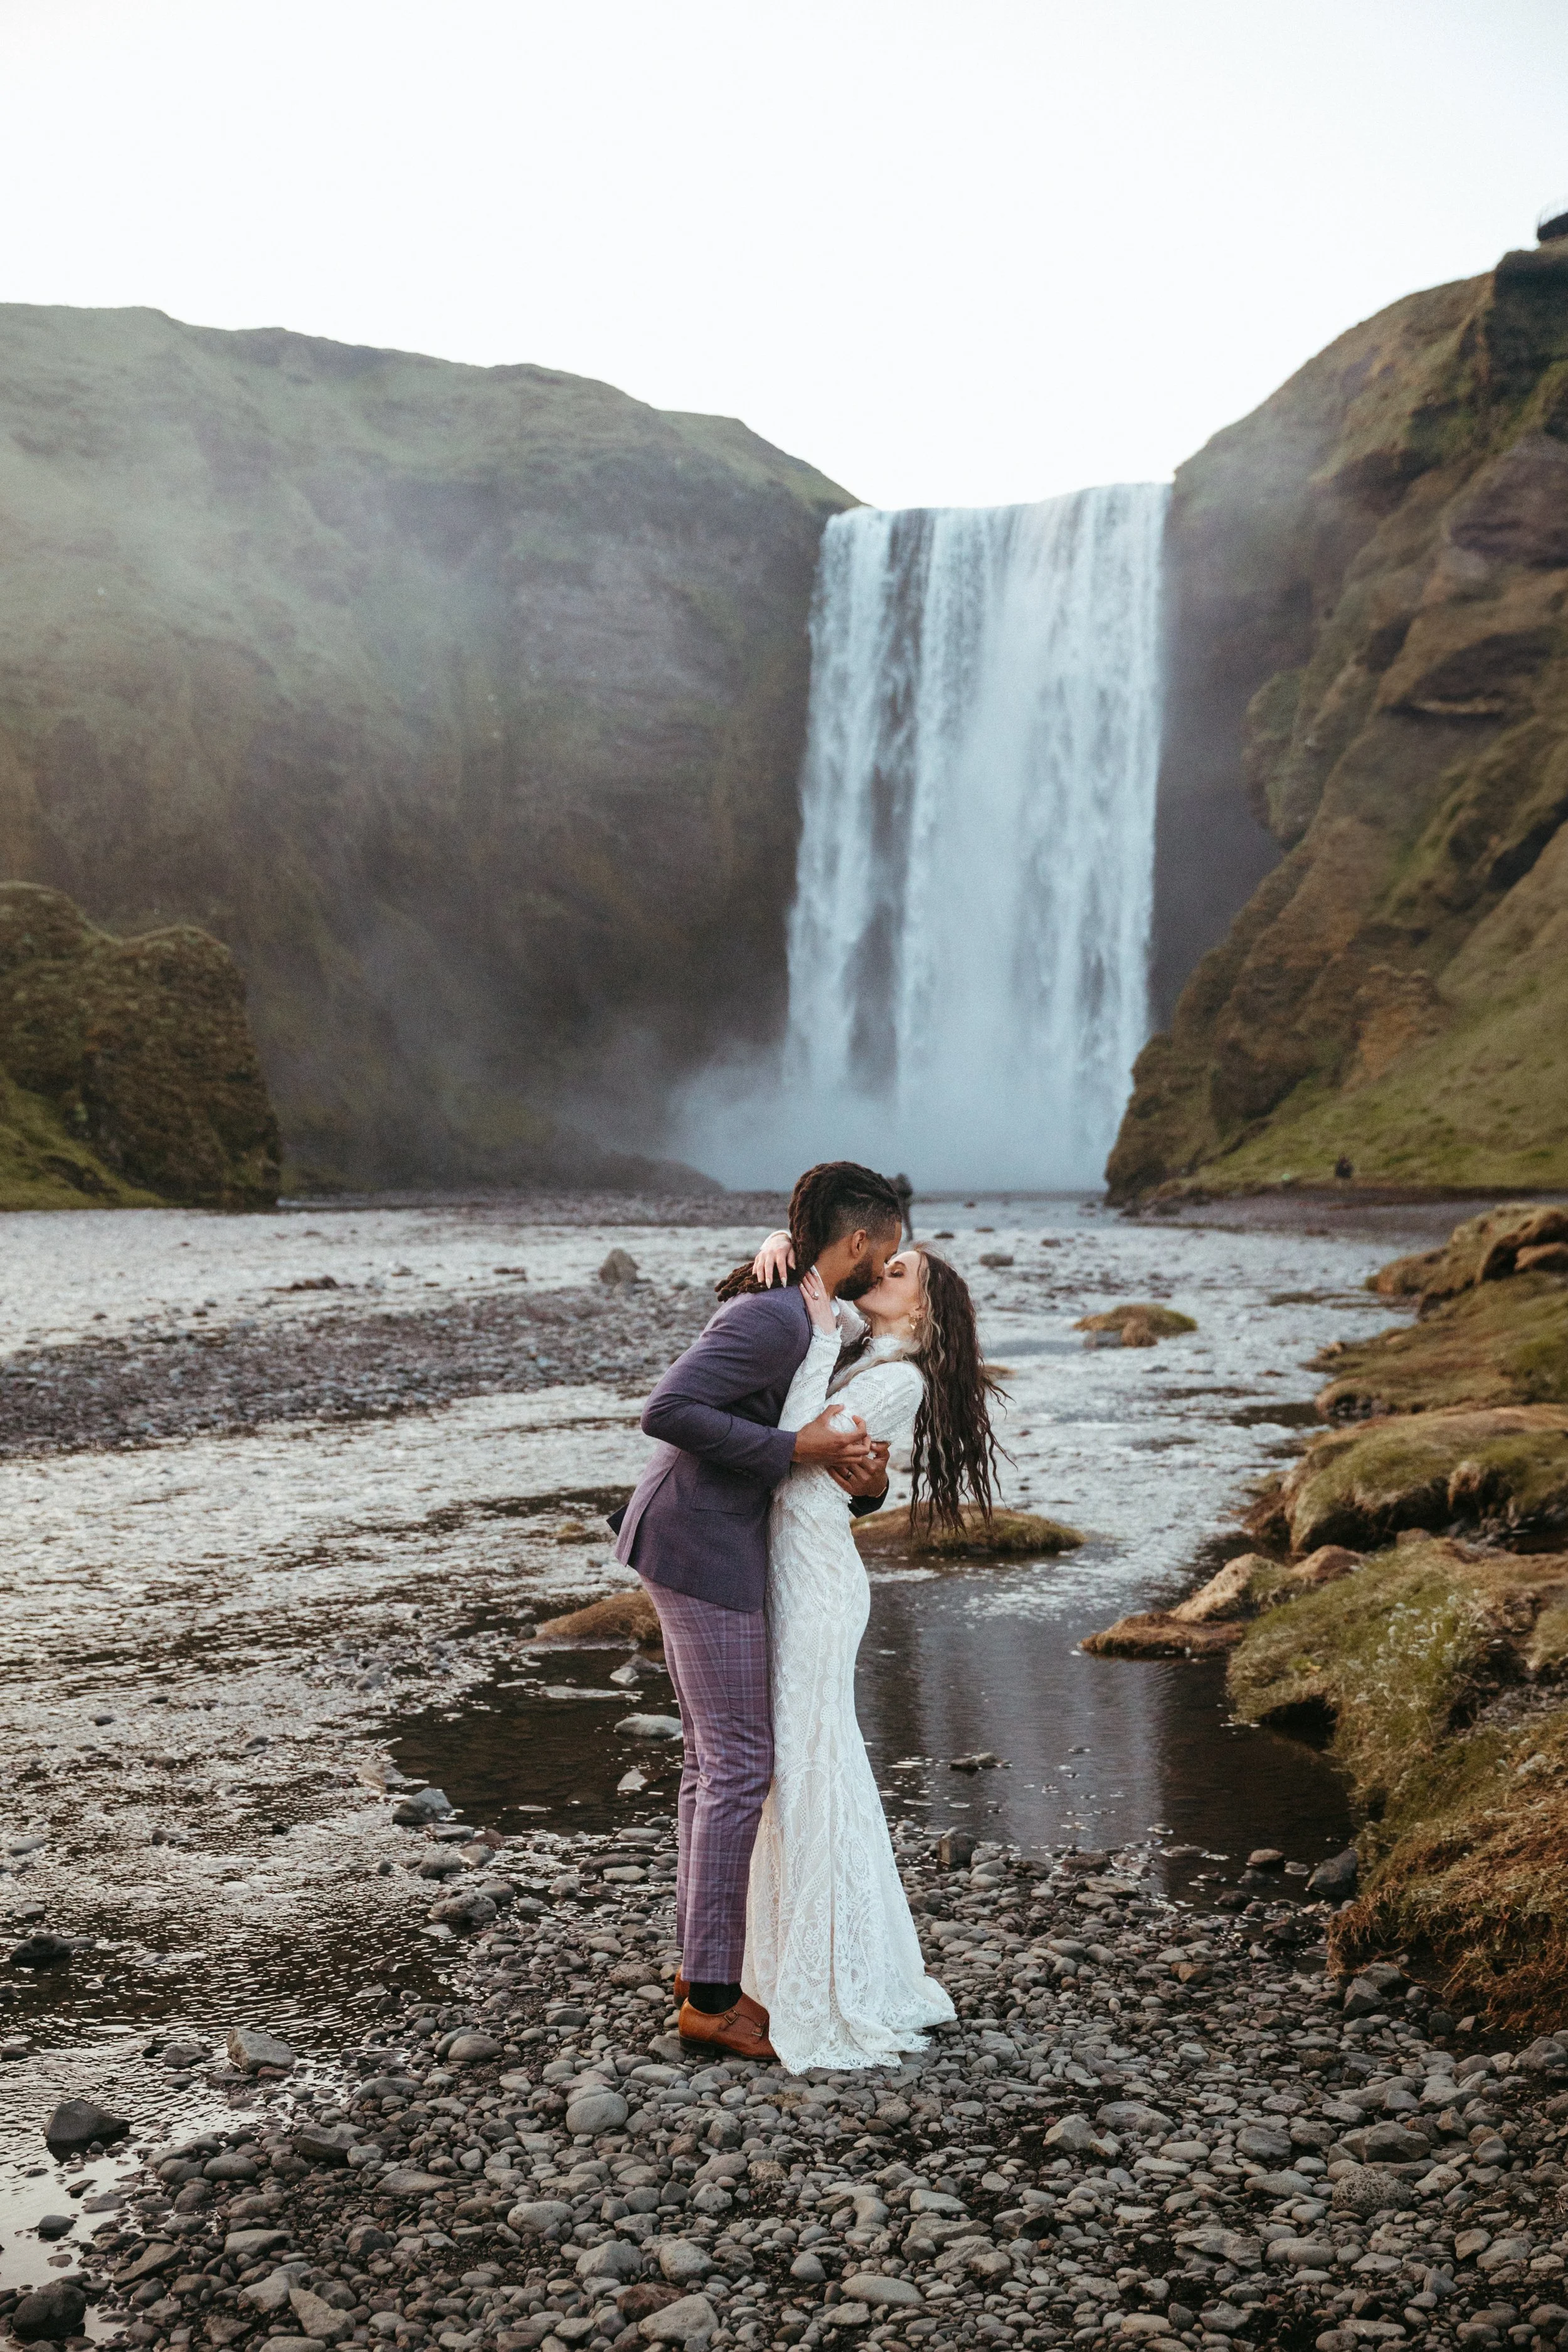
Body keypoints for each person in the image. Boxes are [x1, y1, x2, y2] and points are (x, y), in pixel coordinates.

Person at [611, 1162, 908, 2060]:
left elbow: (826, 1427)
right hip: (699, 1543)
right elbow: (668, 1408)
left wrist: (857, 1478)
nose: (894, 1260)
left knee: (714, 1762)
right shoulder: (774, 1314)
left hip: (712, 1539)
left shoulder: (815, 1314)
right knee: (739, 1761)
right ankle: (709, 1997)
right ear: (858, 1241)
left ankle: (703, 1968)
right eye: (889, 1247)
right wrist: (793, 1445)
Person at [741, 1226, 1002, 2070]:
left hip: (816, 1584)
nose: (873, 1275)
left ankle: (834, 1977)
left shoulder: (897, 1379)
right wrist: (783, 1243)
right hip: (797, 1571)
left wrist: (818, 1334)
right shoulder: (867, 1354)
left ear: (922, 1309)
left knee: (811, 1764)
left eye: (894, 1273)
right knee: (802, 1765)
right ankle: (784, 1968)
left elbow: (789, 1441)